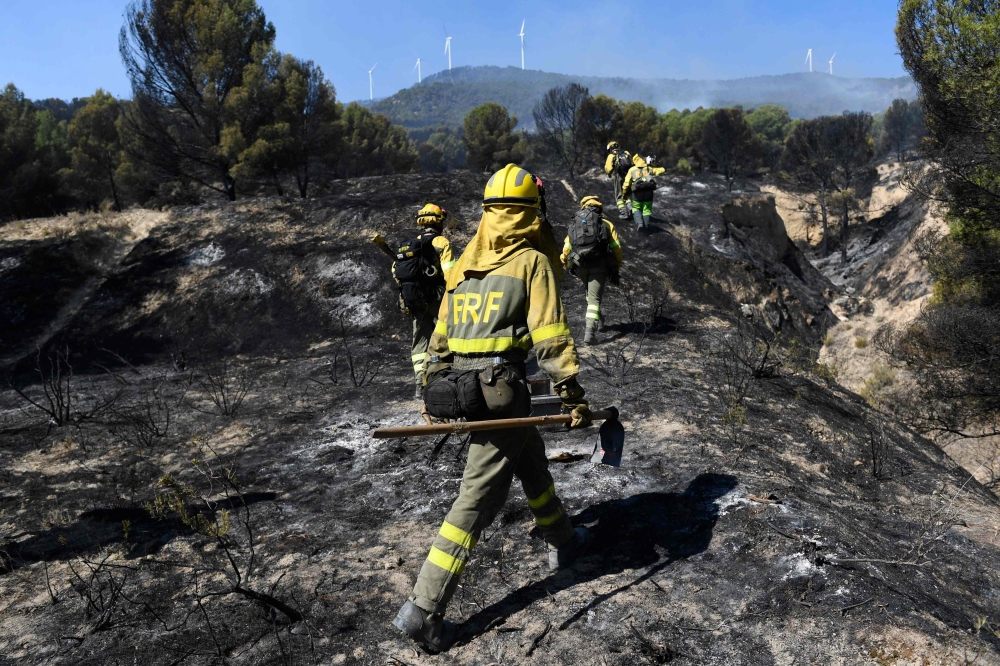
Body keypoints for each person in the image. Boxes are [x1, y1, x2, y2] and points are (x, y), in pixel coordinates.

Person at [393, 164, 593, 653]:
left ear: (488, 213)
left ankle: (562, 540)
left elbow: (439, 338)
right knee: (476, 499)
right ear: (531, 214)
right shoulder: (531, 263)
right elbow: (549, 336)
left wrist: (432, 387)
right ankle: (423, 610)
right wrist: (572, 394)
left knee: (530, 460)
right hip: (504, 391)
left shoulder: (462, 265)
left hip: (461, 389)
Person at [392, 204, 455, 398]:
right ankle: (450, 375)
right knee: (452, 332)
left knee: (419, 342)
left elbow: (396, 272)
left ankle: (420, 384)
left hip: (414, 299)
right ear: (438, 222)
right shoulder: (441, 242)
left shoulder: (409, 245)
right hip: (437, 298)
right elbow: (450, 273)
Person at [560, 196, 624, 345]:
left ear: (583, 206)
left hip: (580, 265)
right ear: (599, 207)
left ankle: (598, 319)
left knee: (589, 293)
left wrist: (565, 263)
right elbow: (617, 248)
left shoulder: (575, 223)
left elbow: (566, 248)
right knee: (594, 300)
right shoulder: (606, 224)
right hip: (599, 266)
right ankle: (590, 333)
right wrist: (616, 266)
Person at [621, 154, 667, 233]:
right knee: (647, 209)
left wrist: (624, 194)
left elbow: (626, 184)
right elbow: (661, 170)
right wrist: (659, 165)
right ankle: (647, 225)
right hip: (649, 191)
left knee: (636, 208)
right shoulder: (648, 168)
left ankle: (640, 224)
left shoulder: (632, 170)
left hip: (637, 192)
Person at [604, 141, 633, 220]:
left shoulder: (611, 155)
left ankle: (623, 212)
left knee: (619, 195)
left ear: (610, 148)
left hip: (619, 176)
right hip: (629, 175)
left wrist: (609, 173)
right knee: (627, 193)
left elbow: (608, 168)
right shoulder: (626, 153)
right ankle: (630, 208)